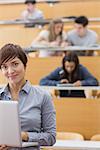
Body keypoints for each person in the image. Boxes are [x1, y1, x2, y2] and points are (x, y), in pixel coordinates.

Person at [0, 43, 56, 150]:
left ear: (25, 65)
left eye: (15, 64)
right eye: (4, 67)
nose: (10, 71)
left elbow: (51, 137)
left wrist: (25, 136)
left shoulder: (43, 97)